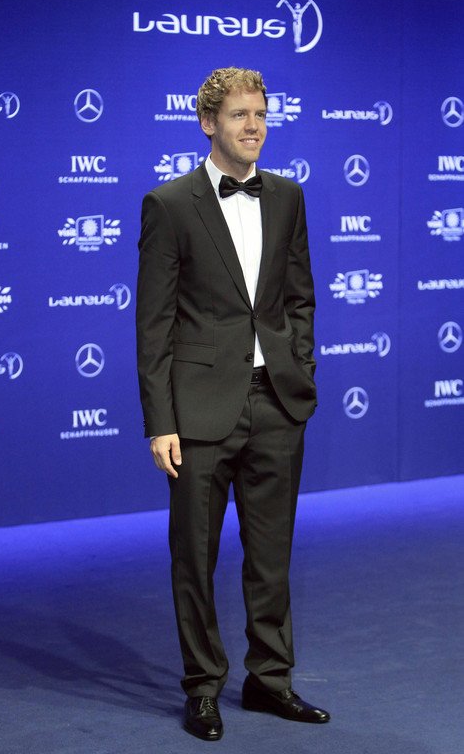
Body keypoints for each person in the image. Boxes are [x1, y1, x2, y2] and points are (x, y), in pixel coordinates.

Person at [136, 67, 330, 741]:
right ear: (207, 123)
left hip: (277, 405)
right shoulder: (169, 204)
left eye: (261, 114)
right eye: (240, 114)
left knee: (271, 555)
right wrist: (161, 422)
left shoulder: (289, 197)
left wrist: (300, 369)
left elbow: (300, 297)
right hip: (198, 414)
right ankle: (202, 686)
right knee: (194, 557)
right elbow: (154, 325)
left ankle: (269, 680)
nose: (255, 126)